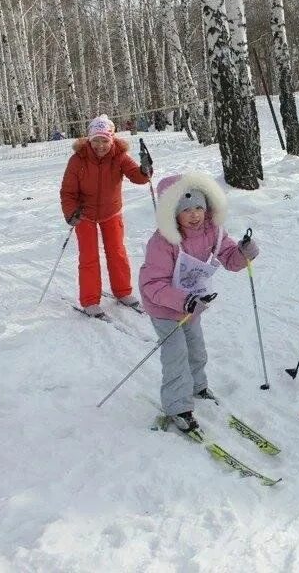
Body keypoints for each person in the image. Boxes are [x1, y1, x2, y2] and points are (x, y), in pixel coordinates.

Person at [139, 172, 260, 432]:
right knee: (176, 354)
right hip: (163, 307)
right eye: (186, 210)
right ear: (172, 213)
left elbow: (229, 257)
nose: (195, 215)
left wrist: (243, 253)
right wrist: (184, 301)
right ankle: (178, 406)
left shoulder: (212, 232)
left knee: (196, 348)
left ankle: (197, 386)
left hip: (192, 302)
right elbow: (152, 285)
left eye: (199, 208)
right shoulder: (162, 241)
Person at [60, 114, 151, 317]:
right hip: (84, 214)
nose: (100, 146)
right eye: (96, 141)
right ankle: (90, 301)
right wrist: (70, 212)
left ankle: (123, 291)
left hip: (112, 212)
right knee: (89, 257)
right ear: (89, 140)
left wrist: (145, 170)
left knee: (117, 253)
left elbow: (137, 176)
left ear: (112, 140)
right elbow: (67, 192)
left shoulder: (119, 156)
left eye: (105, 141)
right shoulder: (77, 160)